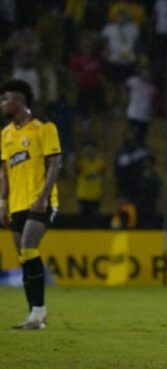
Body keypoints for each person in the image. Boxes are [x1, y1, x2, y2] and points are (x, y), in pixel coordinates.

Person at [0, 79, 62, 329]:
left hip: (41, 202)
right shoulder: (4, 135)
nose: (2, 103)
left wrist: (43, 196)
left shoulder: (43, 128)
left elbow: (55, 164)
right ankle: (34, 315)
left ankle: (38, 312)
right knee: (25, 258)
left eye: (5, 98)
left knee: (28, 247)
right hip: (16, 204)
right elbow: (3, 172)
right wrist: (2, 202)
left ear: (19, 100)